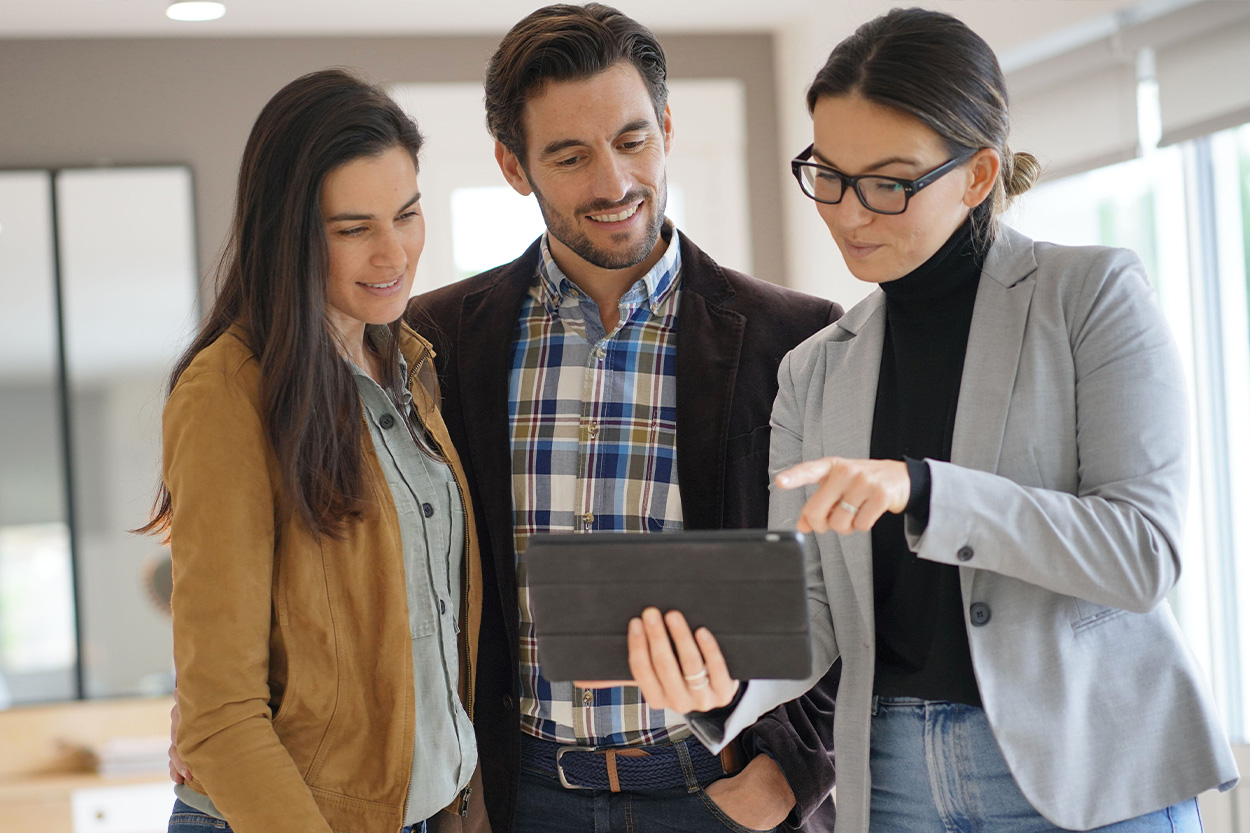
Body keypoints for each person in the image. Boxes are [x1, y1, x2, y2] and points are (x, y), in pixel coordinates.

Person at [621, 8, 1241, 833]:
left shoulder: (1090, 296)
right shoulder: (814, 369)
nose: (847, 213)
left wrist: (922, 489)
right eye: (828, 175)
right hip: (895, 778)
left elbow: (1141, 552)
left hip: (1084, 768)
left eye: (888, 182)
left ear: (978, 174)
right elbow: (807, 606)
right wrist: (722, 680)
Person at [405, 4, 845, 832]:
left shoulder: (800, 337)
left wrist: (795, 771)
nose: (612, 183)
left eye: (633, 140)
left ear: (668, 126)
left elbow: (859, 580)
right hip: (518, 793)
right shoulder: (435, 341)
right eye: (569, 156)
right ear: (512, 163)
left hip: (720, 788)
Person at [141, 68, 487, 833]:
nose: (394, 252)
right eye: (354, 228)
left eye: (408, 213)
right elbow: (219, 713)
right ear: (290, 234)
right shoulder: (227, 392)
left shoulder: (410, 363)